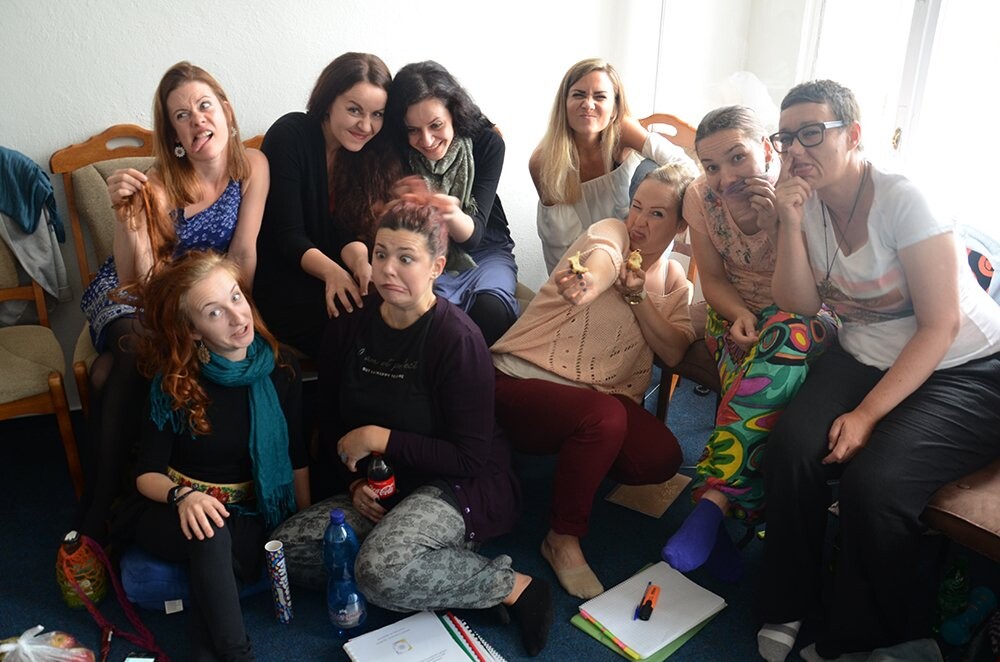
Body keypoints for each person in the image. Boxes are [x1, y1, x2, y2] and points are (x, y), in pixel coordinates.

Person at [758, 80, 1000, 661]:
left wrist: (867, 415)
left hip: (964, 365)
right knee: (791, 447)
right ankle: (789, 599)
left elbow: (940, 325)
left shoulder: (904, 201)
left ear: (854, 135)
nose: (796, 150)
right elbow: (800, 303)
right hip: (865, 351)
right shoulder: (805, 203)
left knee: (876, 484)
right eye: (785, 138)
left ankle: (867, 634)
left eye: (811, 133)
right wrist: (788, 221)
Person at [272, 198, 553, 657]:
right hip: (382, 485)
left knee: (378, 572)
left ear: (436, 267)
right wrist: (354, 482)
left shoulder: (457, 339)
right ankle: (416, 566)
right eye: (381, 254)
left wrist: (379, 438)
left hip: (454, 484)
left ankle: (512, 587)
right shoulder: (349, 325)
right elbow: (331, 421)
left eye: (406, 258)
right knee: (286, 549)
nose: (388, 269)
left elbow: (470, 457)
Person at [76, 61, 269, 543]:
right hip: (136, 296)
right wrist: (125, 218)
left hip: (207, 295)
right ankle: (103, 501)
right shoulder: (160, 184)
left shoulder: (253, 165)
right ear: (174, 134)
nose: (197, 119)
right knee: (131, 347)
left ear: (225, 111)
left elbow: (243, 253)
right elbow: (137, 279)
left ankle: (114, 494)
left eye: (204, 105)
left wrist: (235, 313)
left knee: (106, 374)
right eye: (182, 115)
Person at [491, 159, 698, 599]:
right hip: (519, 381)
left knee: (660, 458)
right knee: (604, 418)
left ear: (681, 226)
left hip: (591, 402)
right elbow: (601, 258)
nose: (639, 221)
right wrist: (588, 283)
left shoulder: (675, 282)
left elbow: (674, 351)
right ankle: (562, 537)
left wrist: (638, 295)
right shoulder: (612, 231)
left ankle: (574, 462)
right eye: (637, 206)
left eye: (656, 213)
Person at [660, 106, 837, 579]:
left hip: (806, 314)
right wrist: (738, 314)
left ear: (766, 148)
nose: (726, 178)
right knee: (755, 378)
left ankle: (713, 502)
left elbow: (809, 294)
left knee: (780, 340)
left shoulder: (801, 192)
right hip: (735, 311)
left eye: (738, 158)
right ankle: (723, 519)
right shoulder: (701, 197)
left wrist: (778, 225)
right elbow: (714, 279)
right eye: (711, 166)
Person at [128, 251, 309, 660]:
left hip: (247, 512)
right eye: (214, 312)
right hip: (171, 507)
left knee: (216, 552)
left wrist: (301, 526)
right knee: (209, 532)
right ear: (193, 330)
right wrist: (183, 497)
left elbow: (296, 453)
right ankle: (238, 654)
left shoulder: (282, 367)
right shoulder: (174, 381)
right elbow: (146, 474)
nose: (237, 316)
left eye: (236, 297)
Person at [255, 52, 401, 359]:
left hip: (336, 270)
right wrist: (333, 272)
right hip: (284, 277)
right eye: (354, 110)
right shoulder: (290, 135)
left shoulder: (367, 154)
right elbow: (287, 235)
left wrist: (360, 262)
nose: (366, 125)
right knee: (358, 329)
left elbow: (347, 231)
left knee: (396, 314)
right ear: (328, 101)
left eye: (377, 114)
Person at [385, 60, 519, 345]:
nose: (426, 140)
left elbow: (474, 236)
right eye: (413, 130)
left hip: (485, 249)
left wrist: (446, 210)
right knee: (424, 317)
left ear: (454, 114)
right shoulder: (394, 150)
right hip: (425, 249)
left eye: (436, 125)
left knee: (491, 311)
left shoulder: (486, 144)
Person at [530, 57, 691, 272]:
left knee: (652, 169)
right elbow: (565, 245)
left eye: (600, 97)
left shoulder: (623, 131)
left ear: (614, 108)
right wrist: (602, 272)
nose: (588, 104)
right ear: (564, 104)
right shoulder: (543, 161)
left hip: (638, 246)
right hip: (581, 258)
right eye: (578, 95)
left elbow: (684, 165)